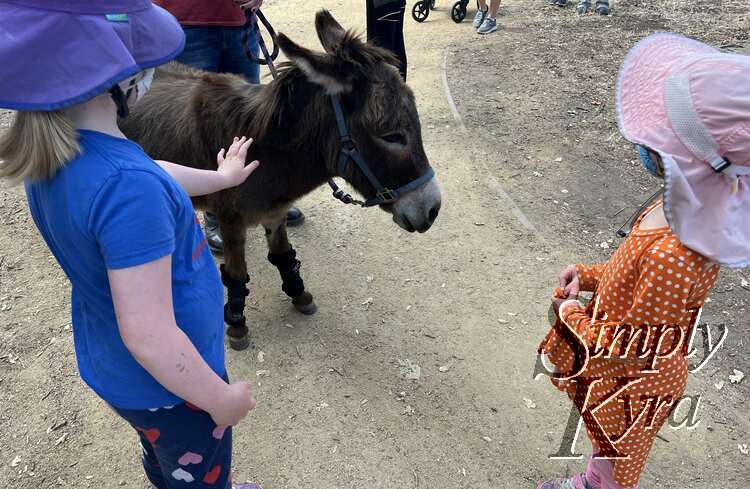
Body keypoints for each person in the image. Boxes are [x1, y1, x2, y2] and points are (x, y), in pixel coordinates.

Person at [0, 1, 262, 487]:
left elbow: (147, 173)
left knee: (165, 454)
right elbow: (150, 335)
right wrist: (219, 400)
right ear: (117, 80)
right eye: (143, 63)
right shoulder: (126, 188)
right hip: (174, 386)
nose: (153, 72)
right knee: (201, 469)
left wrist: (219, 176)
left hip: (123, 373)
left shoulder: (69, 154)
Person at [537, 33, 750, 489]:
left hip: (634, 383)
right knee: (604, 443)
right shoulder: (674, 206)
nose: (643, 135)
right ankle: (592, 479)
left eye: (658, 131)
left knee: (617, 459)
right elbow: (629, 272)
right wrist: (591, 276)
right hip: (617, 375)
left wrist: (572, 314)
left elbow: (629, 349)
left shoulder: (679, 253)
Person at [155, 0, 306, 255]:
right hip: (186, 22)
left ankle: (265, 198)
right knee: (201, 125)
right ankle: (215, 208)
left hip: (240, 22)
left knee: (253, 117)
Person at [366, 0, 408, 80]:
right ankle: (400, 89)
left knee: (382, 55)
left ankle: (392, 90)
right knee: (396, 47)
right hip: (394, 4)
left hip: (382, 5)